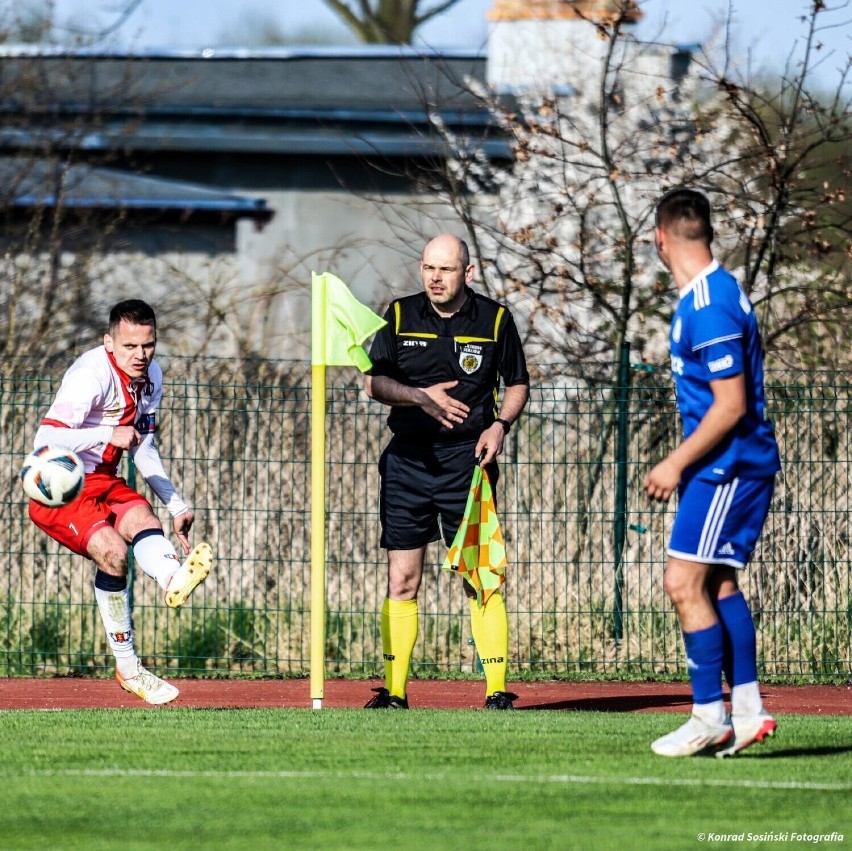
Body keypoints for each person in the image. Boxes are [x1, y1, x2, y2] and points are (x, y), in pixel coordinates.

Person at [363, 234, 530, 710]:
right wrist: (419, 397)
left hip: (468, 464)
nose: (435, 278)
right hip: (408, 462)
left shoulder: (495, 319)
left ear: (467, 273)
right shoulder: (399, 314)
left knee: (480, 578)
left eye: (446, 269)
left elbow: (517, 383)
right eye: (428, 268)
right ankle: (394, 693)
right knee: (402, 580)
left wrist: (499, 426)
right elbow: (373, 381)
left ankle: (496, 691)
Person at [644, 189, 781, 757]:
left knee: (681, 582)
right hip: (731, 464)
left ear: (660, 238)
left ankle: (708, 716)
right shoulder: (711, 294)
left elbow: (730, 403)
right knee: (718, 583)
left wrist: (675, 462)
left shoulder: (709, 304)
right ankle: (746, 711)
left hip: (727, 466)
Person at [28, 299, 212, 705]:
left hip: (104, 479)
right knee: (113, 553)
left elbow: (142, 446)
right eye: (130, 346)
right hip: (60, 485)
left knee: (143, 517)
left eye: (148, 345)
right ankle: (129, 669)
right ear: (109, 342)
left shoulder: (152, 377)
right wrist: (107, 433)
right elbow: (45, 440)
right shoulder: (89, 375)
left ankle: (171, 579)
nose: (140, 355)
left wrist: (176, 504)